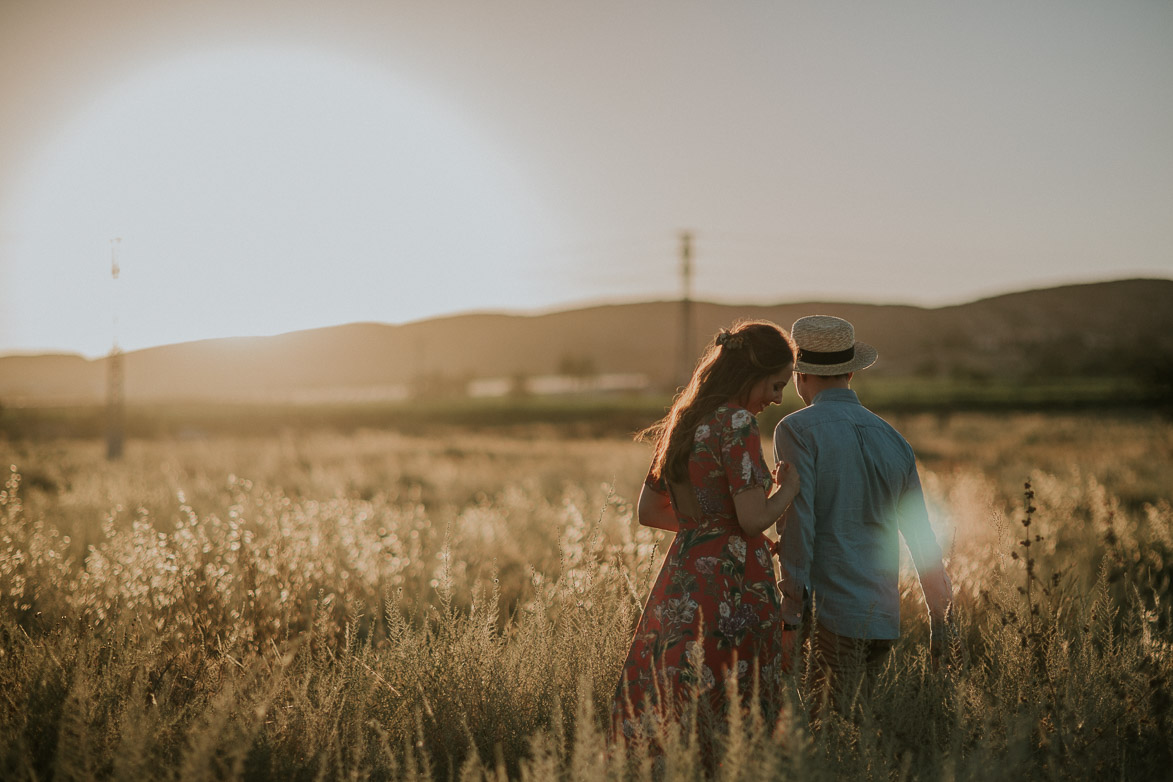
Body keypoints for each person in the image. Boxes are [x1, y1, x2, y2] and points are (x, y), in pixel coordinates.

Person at [612, 320, 801, 745]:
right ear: (751, 375)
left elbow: (649, 510)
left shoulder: (686, 418)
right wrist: (787, 488)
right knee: (734, 705)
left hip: (681, 578)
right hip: (732, 587)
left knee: (678, 695)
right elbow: (754, 519)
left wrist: (712, 528)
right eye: (775, 385)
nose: (777, 398)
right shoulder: (737, 423)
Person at [772, 315, 952, 710]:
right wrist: (940, 620)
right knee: (857, 732)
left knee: (819, 737)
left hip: (829, 618)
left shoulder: (796, 430)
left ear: (800, 373)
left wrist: (789, 616)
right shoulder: (893, 438)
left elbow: (800, 527)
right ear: (851, 371)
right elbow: (923, 537)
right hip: (882, 620)